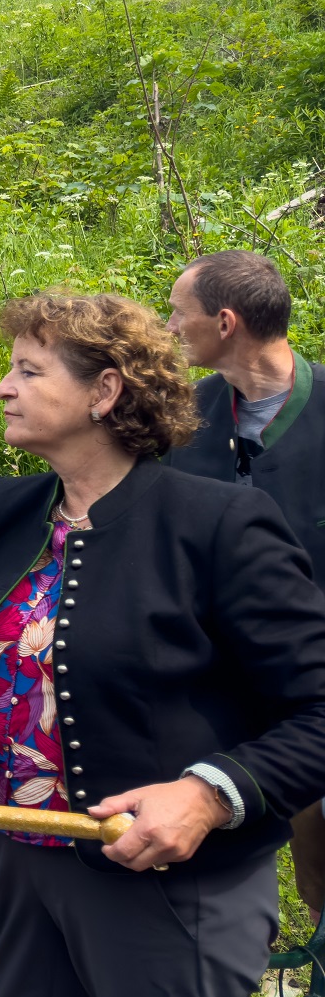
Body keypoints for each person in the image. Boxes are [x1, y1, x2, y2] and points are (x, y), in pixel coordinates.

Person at [0, 292, 325, 997]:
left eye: (29, 371)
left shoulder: (218, 524)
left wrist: (206, 796)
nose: (4, 387)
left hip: (171, 887)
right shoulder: (5, 508)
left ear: (104, 391)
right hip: (22, 873)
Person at [166, 250, 325, 920]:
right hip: (220, 690)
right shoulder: (187, 419)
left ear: (225, 322)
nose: (169, 327)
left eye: (179, 312)